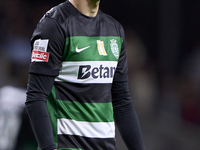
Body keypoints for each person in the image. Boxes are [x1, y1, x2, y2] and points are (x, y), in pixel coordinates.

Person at [25, 0, 146, 150]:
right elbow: (35, 96)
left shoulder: (114, 29)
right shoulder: (54, 25)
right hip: (66, 146)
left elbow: (122, 102)